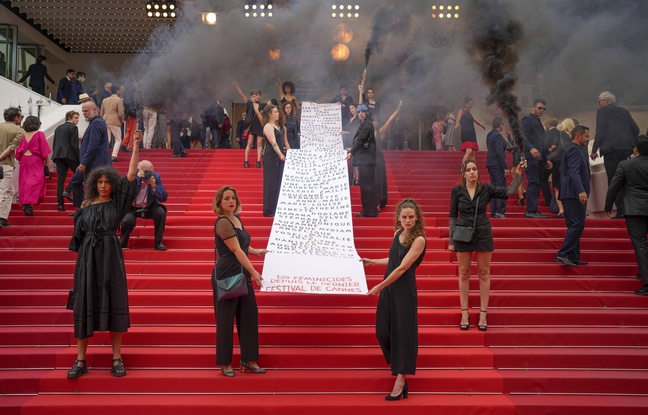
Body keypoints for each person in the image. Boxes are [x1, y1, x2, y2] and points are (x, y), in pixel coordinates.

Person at [66, 131, 142, 379]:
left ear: (112, 184)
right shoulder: (84, 207)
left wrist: (137, 147)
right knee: (85, 302)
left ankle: (117, 358)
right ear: (93, 185)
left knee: (114, 301)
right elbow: (77, 241)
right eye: (99, 182)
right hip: (88, 260)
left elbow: (131, 176)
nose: (103, 185)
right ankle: (80, 360)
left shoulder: (116, 204)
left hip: (110, 255)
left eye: (106, 182)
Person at [361, 199, 427, 401]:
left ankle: (401, 378)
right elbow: (393, 260)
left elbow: (403, 267)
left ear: (417, 218)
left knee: (403, 334)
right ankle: (398, 363)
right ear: (398, 217)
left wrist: (379, 286)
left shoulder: (419, 240)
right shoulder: (398, 233)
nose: (407, 220)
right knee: (382, 330)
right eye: (404, 217)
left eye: (411, 217)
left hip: (403, 290)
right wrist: (373, 262)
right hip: (390, 286)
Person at [449, 159, 525, 332]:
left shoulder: (486, 189)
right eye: (468, 170)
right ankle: (464, 312)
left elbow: (509, 191)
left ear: (478, 172)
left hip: (483, 231)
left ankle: (483, 313)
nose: (472, 172)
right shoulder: (457, 191)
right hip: (462, 233)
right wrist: (452, 241)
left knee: (484, 273)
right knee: (463, 273)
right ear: (463, 174)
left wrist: (518, 173)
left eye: (474, 169)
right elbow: (453, 215)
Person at [211, 185, 267, 376]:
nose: (231, 201)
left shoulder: (236, 218)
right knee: (226, 320)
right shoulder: (223, 223)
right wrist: (253, 271)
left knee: (249, 316)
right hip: (228, 273)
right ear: (219, 202)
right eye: (226, 198)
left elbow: (242, 244)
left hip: (242, 271)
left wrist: (255, 251)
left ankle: (248, 359)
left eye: (233, 198)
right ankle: (225, 362)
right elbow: (235, 250)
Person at [604, 135, 648, 295]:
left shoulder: (626, 164)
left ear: (635, 149)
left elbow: (613, 186)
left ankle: (647, 283)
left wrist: (608, 206)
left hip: (635, 210)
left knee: (640, 245)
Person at [591, 91, 640, 218]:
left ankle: (621, 211)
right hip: (625, 150)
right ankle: (627, 209)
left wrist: (594, 149)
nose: (599, 103)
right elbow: (636, 129)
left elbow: (600, 131)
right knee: (625, 180)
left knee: (614, 180)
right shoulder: (624, 112)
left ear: (606, 101)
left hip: (611, 150)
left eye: (600, 101)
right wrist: (630, 144)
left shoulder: (602, 112)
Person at [555, 125, 591, 267]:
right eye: (586, 136)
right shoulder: (575, 150)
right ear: (578, 136)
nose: (588, 139)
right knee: (578, 224)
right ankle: (563, 253)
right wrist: (580, 191)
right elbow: (573, 172)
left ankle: (574, 256)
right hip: (573, 194)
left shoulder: (572, 150)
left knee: (574, 224)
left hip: (570, 193)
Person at [69, 101, 112, 209]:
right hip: (92, 163)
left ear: (94, 109)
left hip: (94, 164)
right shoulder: (96, 122)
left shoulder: (97, 122)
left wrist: (84, 163)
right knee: (75, 181)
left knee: (91, 188)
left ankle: (87, 210)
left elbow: (93, 145)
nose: (84, 114)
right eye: (83, 111)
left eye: (86, 111)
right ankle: (81, 209)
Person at [119, 159, 168, 251]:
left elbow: (164, 197)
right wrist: (137, 181)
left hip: (149, 206)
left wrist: (154, 187)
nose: (148, 174)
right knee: (127, 220)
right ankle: (123, 243)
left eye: (150, 171)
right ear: (138, 170)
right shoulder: (131, 176)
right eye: (146, 171)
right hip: (132, 207)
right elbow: (124, 192)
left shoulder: (155, 177)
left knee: (160, 213)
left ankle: (158, 243)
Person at [14, 116, 52, 216]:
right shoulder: (39, 134)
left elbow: (17, 154)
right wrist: (47, 163)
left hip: (24, 161)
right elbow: (44, 150)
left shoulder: (22, 135)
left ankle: (27, 204)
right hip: (36, 160)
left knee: (25, 182)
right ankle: (27, 203)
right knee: (37, 181)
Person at [347, 104, 377, 217]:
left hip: (367, 160)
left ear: (366, 113)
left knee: (367, 187)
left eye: (362, 111)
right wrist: (352, 148)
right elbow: (360, 141)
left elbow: (360, 139)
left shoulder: (367, 124)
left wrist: (352, 152)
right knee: (365, 186)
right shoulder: (363, 124)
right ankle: (368, 210)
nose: (360, 113)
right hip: (365, 160)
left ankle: (370, 211)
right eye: (359, 111)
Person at [522, 99, 550, 218]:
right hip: (532, 157)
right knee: (533, 182)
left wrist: (546, 158)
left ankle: (533, 209)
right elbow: (521, 136)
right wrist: (531, 148)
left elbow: (542, 142)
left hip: (540, 158)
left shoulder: (538, 121)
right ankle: (530, 211)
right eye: (539, 108)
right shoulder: (527, 119)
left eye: (543, 109)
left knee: (537, 183)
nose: (542, 110)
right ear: (533, 107)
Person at [0, 107, 25, 227]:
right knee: (3, 192)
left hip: (4, 165)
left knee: (10, 191)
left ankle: (2, 217)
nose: (21, 119)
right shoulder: (19, 131)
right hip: (5, 165)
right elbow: (11, 148)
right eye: (21, 117)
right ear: (16, 118)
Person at [261, 105, 287, 217]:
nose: (278, 113)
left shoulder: (277, 127)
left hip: (278, 157)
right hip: (271, 157)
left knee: (278, 184)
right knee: (270, 184)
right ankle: (268, 210)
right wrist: (280, 154)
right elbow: (273, 142)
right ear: (270, 114)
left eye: (278, 111)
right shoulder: (268, 126)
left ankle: (275, 208)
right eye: (275, 112)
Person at [547, 118, 576, 218]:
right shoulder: (575, 136)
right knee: (570, 187)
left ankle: (561, 210)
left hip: (559, 163)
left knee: (557, 188)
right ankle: (570, 210)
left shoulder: (559, 134)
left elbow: (556, 149)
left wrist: (549, 158)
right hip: (572, 164)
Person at [52, 111, 80, 211]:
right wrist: (79, 159)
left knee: (60, 181)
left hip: (58, 155)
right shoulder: (73, 128)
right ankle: (68, 190)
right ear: (69, 117)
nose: (77, 120)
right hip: (69, 155)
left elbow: (55, 143)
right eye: (76, 118)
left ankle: (60, 204)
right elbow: (74, 145)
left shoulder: (58, 128)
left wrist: (55, 156)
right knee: (80, 173)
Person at [233, 80, 264, 168]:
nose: (257, 97)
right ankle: (246, 161)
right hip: (251, 125)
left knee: (259, 143)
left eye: (258, 95)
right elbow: (242, 95)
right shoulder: (250, 104)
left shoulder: (262, 105)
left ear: (260, 96)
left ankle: (258, 161)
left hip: (259, 125)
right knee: (249, 143)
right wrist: (237, 86)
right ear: (252, 97)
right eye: (255, 95)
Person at [485, 117, 510, 218]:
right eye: (503, 124)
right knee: (500, 187)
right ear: (500, 125)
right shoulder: (498, 136)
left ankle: (494, 211)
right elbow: (500, 152)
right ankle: (499, 211)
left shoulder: (490, 134)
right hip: (497, 164)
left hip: (490, 163)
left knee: (494, 187)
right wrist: (505, 167)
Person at [456, 97, 485, 164]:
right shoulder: (461, 111)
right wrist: (457, 124)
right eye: (469, 104)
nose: (470, 106)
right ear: (465, 104)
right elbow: (458, 119)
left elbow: (475, 120)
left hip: (472, 133)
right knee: (469, 151)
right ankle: (463, 167)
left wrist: (482, 125)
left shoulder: (470, 113)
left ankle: (472, 167)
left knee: (473, 154)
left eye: (471, 104)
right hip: (465, 133)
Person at [100, 85, 125, 162]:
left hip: (105, 120)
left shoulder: (105, 100)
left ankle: (103, 155)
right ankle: (114, 156)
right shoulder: (119, 100)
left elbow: (101, 112)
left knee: (107, 139)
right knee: (118, 139)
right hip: (114, 120)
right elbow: (120, 113)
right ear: (117, 91)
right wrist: (121, 120)